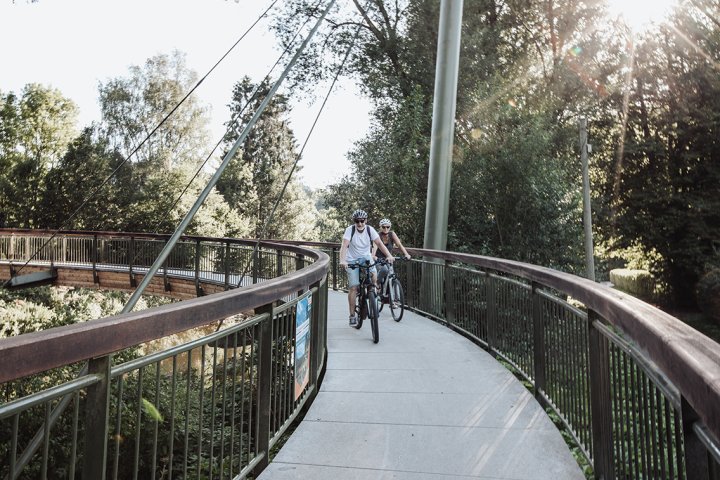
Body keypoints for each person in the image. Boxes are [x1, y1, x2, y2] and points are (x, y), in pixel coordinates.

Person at [339, 209, 394, 326]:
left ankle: (373, 298)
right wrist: (343, 260)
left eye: (362, 221)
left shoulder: (370, 229)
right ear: (354, 221)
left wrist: (389, 255)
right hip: (352, 259)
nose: (360, 223)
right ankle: (352, 315)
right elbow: (344, 245)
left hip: (366, 258)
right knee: (353, 287)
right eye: (357, 221)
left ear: (366, 220)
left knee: (374, 278)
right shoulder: (350, 230)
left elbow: (379, 244)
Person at [372, 218, 411, 299]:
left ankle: (395, 300)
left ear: (390, 227)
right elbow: (374, 248)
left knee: (393, 277)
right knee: (385, 270)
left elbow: (399, 245)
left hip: (389, 259)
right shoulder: (377, 235)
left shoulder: (392, 234)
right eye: (383, 227)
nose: (386, 229)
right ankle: (377, 283)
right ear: (380, 227)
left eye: (388, 227)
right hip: (379, 260)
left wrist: (406, 254)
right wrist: (374, 256)